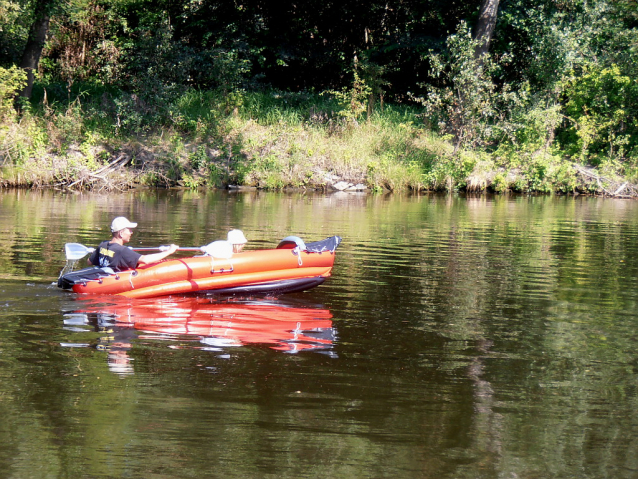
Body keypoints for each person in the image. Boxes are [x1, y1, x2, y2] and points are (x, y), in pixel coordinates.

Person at [88, 216, 179, 272]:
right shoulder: (122, 251)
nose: (131, 232)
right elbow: (145, 260)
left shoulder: (103, 245)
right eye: (129, 230)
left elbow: (89, 261)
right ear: (121, 233)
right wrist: (169, 251)